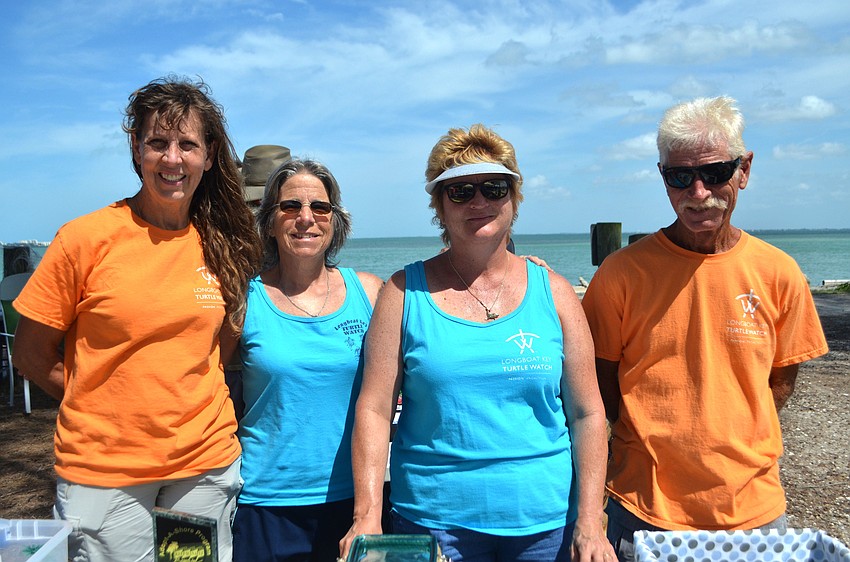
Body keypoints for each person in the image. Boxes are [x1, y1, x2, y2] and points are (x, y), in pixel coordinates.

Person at [12, 76, 262, 561]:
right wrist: (101, 403)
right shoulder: (85, 238)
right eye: (158, 143)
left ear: (209, 156)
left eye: (187, 144)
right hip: (107, 471)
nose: (173, 158)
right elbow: (30, 353)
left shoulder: (222, 245)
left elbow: (218, 350)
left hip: (203, 465)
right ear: (136, 148)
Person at [340, 124, 614, 561]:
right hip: (433, 521)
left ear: (514, 199)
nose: (479, 202)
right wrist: (367, 517)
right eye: (460, 191)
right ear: (439, 206)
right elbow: (374, 409)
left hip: (545, 524)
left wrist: (588, 522)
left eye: (494, 187)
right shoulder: (402, 293)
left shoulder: (556, 291)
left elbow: (587, 413)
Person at [581, 96, 829, 561]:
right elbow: (601, 382)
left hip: (754, 509)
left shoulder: (779, 272)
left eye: (715, 173)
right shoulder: (620, 274)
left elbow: (781, 380)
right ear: (663, 178)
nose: (698, 193)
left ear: (744, 170)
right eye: (680, 177)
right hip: (645, 509)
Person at [227, 158, 383, 561]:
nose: (306, 218)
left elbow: (435, 330)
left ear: (335, 220)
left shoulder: (369, 292)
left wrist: (518, 266)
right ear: (270, 220)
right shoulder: (245, 300)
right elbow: (216, 386)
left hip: (354, 502)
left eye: (320, 207)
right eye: (290, 206)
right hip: (266, 501)